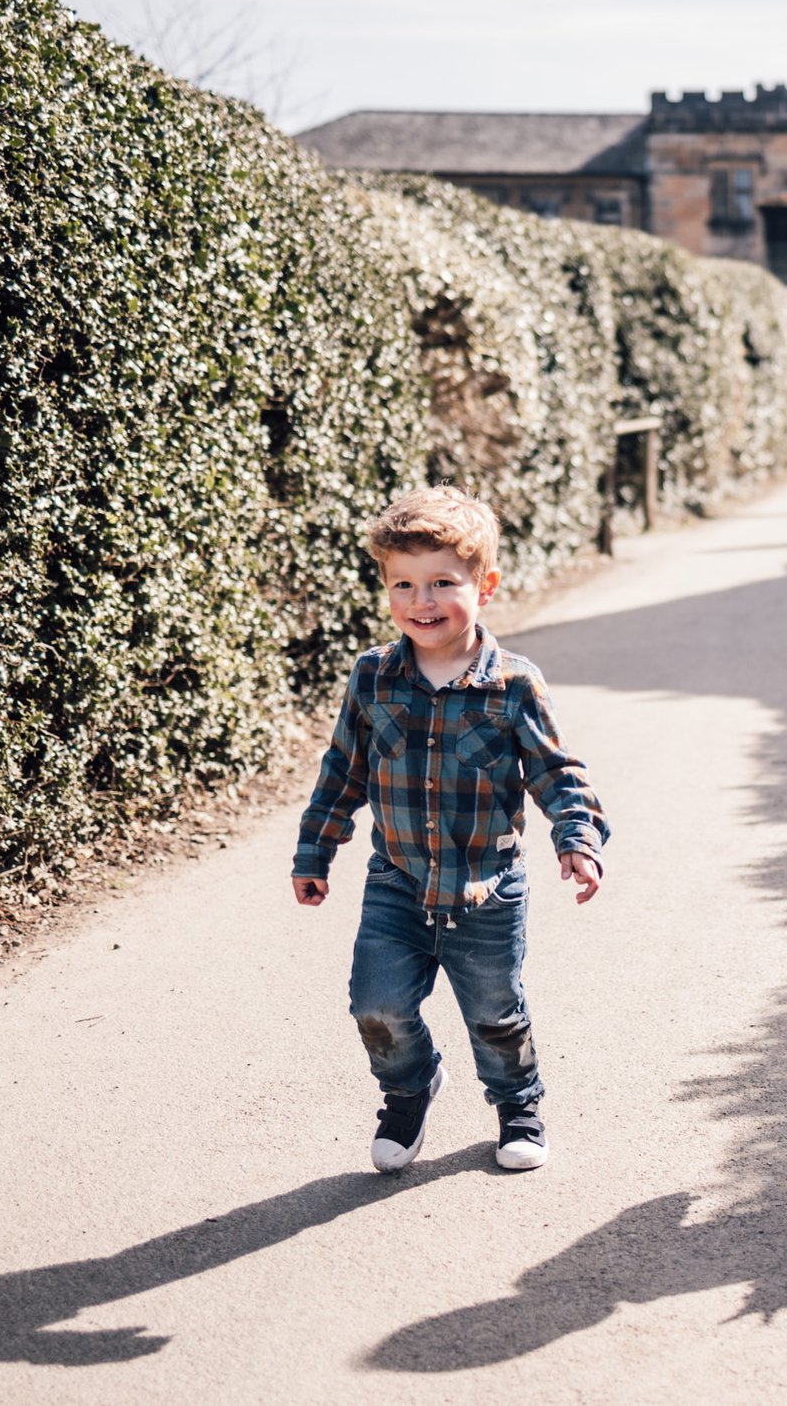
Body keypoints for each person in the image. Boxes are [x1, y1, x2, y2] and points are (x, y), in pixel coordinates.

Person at [292, 486, 611, 1174]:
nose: (421, 600)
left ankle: (518, 1100)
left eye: (442, 582)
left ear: (485, 585)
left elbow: (557, 772)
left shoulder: (514, 686)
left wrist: (577, 838)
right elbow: (342, 769)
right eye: (403, 584)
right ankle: (409, 1087)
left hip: (486, 891)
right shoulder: (373, 678)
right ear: (385, 588)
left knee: (495, 1013)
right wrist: (315, 847)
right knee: (375, 1005)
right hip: (396, 882)